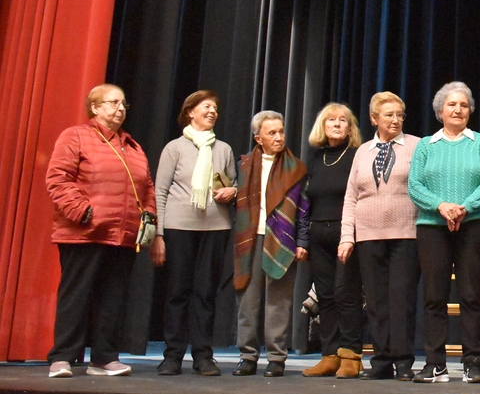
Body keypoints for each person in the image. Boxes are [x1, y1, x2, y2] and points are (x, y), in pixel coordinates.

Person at [45, 85, 155, 377]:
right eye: (112, 103)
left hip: (123, 236)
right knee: (77, 295)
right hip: (84, 232)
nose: (120, 108)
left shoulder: (132, 145)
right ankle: (63, 357)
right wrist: (83, 212)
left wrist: (149, 219)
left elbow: (147, 189)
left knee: (113, 298)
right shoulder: (75, 136)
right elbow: (58, 178)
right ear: (94, 107)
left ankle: (104, 358)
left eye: (123, 104)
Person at [408, 82, 480, 384]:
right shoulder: (425, 145)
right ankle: (435, 364)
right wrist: (442, 206)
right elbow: (415, 186)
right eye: (451, 105)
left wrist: (464, 207)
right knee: (434, 296)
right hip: (432, 227)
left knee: (471, 295)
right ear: (439, 111)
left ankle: (473, 362)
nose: (458, 109)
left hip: (472, 226)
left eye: (463, 105)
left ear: (470, 110)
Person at [151, 90, 238, 376]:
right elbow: (159, 192)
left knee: (206, 294)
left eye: (215, 107)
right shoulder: (174, 148)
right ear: (190, 112)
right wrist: (159, 234)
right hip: (179, 228)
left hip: (215, 229)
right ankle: (173, 355)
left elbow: (233, 185)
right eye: (206, 107)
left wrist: (232, 191)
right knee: (178, 292)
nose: (212, 111)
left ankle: (203, 356)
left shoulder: (223, 149)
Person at [338, 93, 422, 380]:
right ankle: (382, 360)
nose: (396, 120)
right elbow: (351, 196)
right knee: (375, 301)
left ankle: (403, 362)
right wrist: (346, 236)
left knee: (402, 299)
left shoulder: (416, 146)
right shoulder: (363, 151)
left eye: (400, 114)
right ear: (374, 118)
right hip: (368, 235)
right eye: (389, 115)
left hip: (406, 234)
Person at [232, 111, 308, 377]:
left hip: (281, 236)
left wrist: (301, 240)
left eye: (281, 132)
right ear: (258, 138)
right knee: (248, 299)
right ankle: (247, 356)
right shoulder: (243, 166)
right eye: (271, 133)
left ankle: (276, 357)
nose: (278, 137)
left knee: (279, 300)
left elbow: (303, 210)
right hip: (250, 235)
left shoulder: (296, 168)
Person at [295, 103, 365, 378]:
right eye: (331, 120)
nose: (337, 124)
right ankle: (329, 355)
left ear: (351, 128)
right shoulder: (314, 157)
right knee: (324, 296)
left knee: (345, 294)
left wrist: (351, 234)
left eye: (343, 120)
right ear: (322, 126)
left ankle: (351, 355)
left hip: (346, 233)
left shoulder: (357, 156)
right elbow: (304, 202)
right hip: (317, 234)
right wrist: (302, 239)